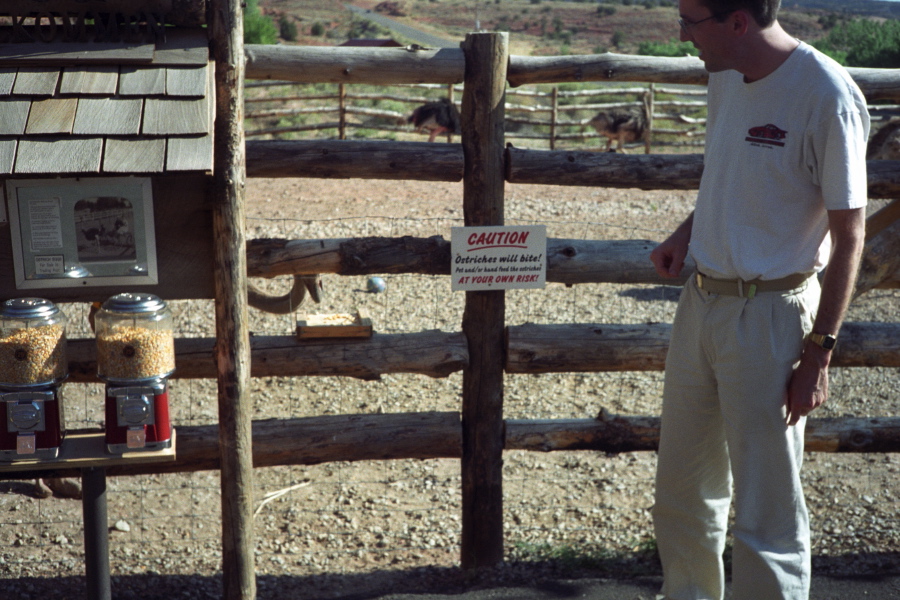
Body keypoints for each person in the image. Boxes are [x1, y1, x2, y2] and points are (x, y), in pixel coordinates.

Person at [649, 1, 869, 599]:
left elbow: (851, 233)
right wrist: (686, 234)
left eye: (690, 21)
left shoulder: (827, 95)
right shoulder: (725, 73)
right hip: (701, 304)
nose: (682, 33)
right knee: (683, 495)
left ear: (737, 22)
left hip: (773, 315)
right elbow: (733, 174)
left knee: (767, 510)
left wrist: (818, 354)